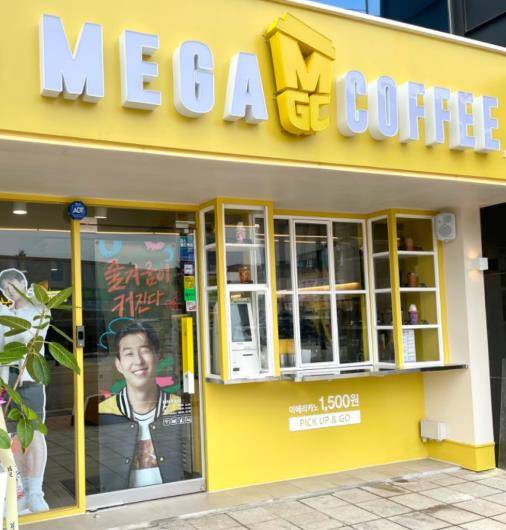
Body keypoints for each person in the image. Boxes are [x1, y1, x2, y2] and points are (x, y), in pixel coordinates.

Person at [98, 320, 187, 492]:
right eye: (129, 354)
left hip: (173, 496)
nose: (138, 361)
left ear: (158, 356)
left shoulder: (178, 407)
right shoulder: (104, 412)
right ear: (118, 364)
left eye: (145, 351)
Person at [0, 268, 49, 514]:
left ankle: (36, 493)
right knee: (15, 436)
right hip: (6, 382)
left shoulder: (39, 310)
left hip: (29, 378)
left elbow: (30, 338)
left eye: (13, 284)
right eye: (4, 288)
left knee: (35, 433)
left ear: (23, 283)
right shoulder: (5, 314)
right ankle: (23, 491)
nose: (9, 290)